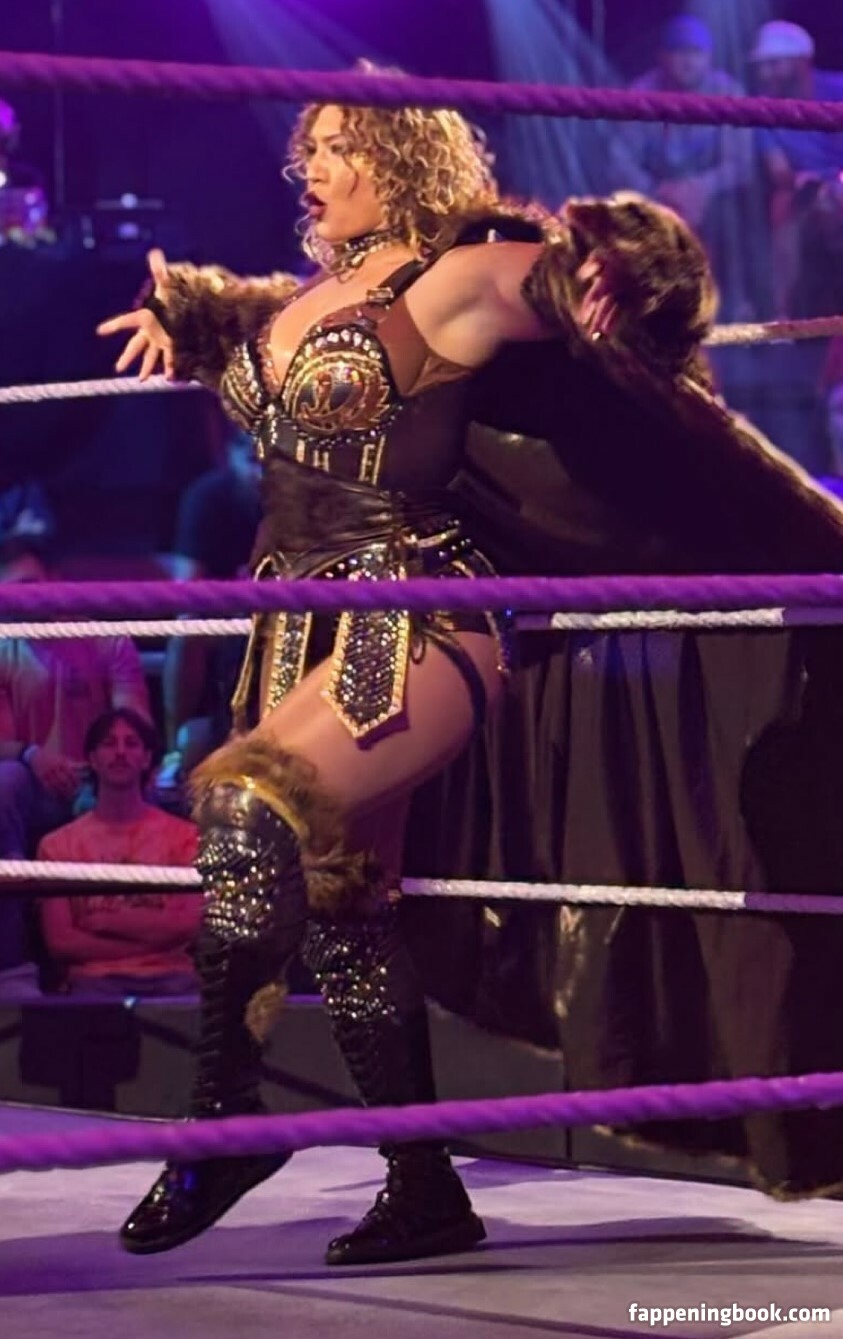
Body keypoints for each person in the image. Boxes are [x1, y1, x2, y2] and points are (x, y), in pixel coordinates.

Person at [97, 72, 843, 1265]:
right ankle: (424, 1185)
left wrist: (626, 265)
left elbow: (582, 274)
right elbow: (260, 343)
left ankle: (223, 1116)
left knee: (244, 808)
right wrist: (189, 314)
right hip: (291, 626)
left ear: (399, 153)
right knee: (344, 907)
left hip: (417, 613)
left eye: (339, 146)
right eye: (307, 150)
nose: (312, 169)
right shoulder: (311, 297)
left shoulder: (451, 279)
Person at [0, 488, 152, 992]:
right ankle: (12, 964)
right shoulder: (2, 645)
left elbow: (134, 725)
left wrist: (94, 768)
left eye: (28, 587)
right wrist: (32, 755)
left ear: (53, 581)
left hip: (98, 777)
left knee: (130, 781)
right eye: (9, 593)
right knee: (4, 784)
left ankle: (134, 965)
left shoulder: (106, 639)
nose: (19, 601)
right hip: (33, 784)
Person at [38, 708, 201, 996]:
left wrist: (103, 922)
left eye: (131, 743)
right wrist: (148, 940)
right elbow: (61, 941)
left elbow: (187, 925)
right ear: (92, 759)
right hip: (93, 983)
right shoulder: (57, 846)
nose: (121, 752)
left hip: (173, 980)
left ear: (146, 758)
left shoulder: (185, 837)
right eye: (109, 743)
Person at [608, 15, 753, 317]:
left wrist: (702, 187)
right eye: (679, 52)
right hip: (655, 191)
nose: (688, 62)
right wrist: (657, 189)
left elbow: (740, 164)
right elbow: (619, 158)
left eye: (696, 53)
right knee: (625, 211)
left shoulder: (728, 92)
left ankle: (735, 306)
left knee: (735, 214)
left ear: (709, 57)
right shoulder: (641, 93)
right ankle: (639, 309)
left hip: (711, 196)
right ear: (663, 56)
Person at [159, 422, 262, 784]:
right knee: (187, 627)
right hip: (226, 617)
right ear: (231, 457)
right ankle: (173, 750)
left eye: (267, 462)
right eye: (251, 460)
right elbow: (188, 588)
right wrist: (240, 596)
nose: (260, 473)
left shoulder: (292, 499)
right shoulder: (208, 498)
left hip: (282, 617)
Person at [749, 20, 843, 317]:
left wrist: (836, 185)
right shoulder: (762, 106)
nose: (766, 74)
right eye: (762, 66)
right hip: (803, 187)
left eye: (774, 64)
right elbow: (777, 169)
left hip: (840, 181)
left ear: (802, 61)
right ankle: (782, 316)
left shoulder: (838, 89)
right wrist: (810, 185)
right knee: (783, 207)